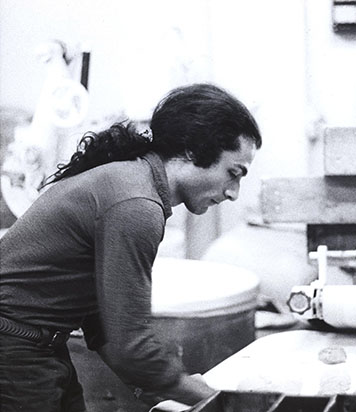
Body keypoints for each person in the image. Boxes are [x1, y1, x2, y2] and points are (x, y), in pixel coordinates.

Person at [0, 83, 262, 411]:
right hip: (15, 346)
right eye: (233, 174)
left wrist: (164, 386)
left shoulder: (132, 183)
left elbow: (103, 326)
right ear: (193, 152)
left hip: (38, 345)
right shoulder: (136, 204)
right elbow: (130, 345)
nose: (234, 193)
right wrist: (214, 399)